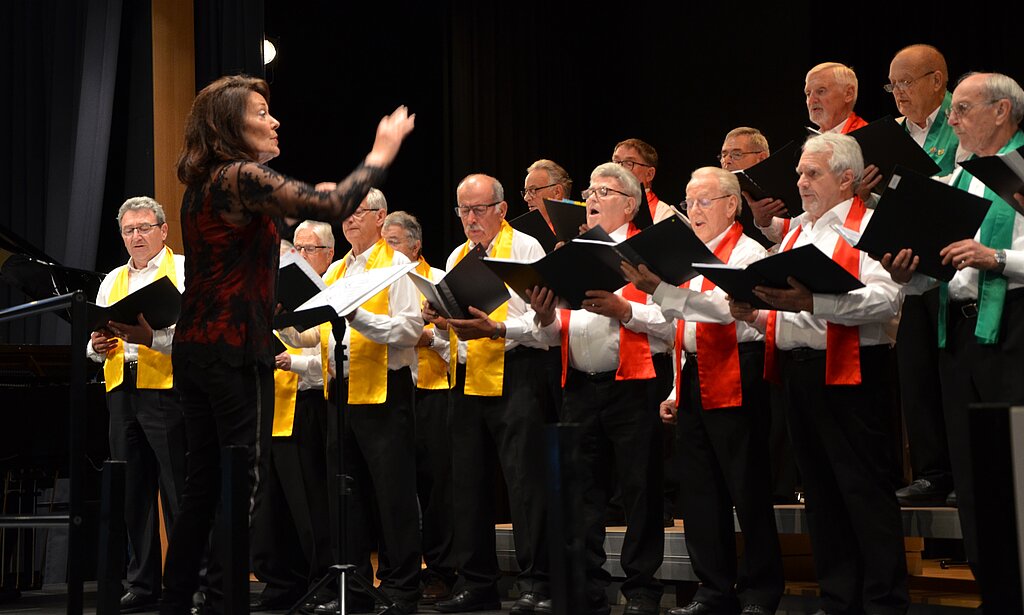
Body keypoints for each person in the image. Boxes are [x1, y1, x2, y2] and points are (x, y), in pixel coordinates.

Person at [161, 74, 414, 615]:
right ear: (231, 125)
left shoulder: (203, 185)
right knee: (237, 487)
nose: (273, 120)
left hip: (199, 346)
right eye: (260, 112)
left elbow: (229, 269)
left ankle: (180, 602)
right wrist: (381, 151)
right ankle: (225, 604)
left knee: (203, 487)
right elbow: (332, 203)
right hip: (231, 351)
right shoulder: (240, 175)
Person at [731, 133, 908, 615]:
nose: (800, 182)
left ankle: (883, 603)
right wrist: (755, 311)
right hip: (799, 371)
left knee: (863, 491)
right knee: (822, 495)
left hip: (852, 371)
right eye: (800, 173)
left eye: (812, 173)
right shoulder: (794, 233)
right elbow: (790, 317)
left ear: (848, 177)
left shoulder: (869, 225)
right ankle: (838, 600)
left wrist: (816, 302)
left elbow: (887, 300)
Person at [883, 72, 1024, 612]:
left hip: (1014, 324)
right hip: (957, 332)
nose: (954, 120)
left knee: (1013, 465)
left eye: (962, 109)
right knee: (972, 475)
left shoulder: (1019, 170)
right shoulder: (951, 180)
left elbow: (994, 259)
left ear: (1001, 112)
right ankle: (995, 596)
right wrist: (904, 271)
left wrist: (999, 259)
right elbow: (935, 270)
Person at [623, 167, 783, 615]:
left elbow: (723, 311)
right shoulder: (688, 258)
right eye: (689, 202)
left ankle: (759, 591)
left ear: (732, 206)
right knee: (699, 491)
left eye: (704, 202)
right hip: (694, 373)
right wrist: (675, 388)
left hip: (738, 370)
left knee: (747, 489)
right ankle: (713, 589)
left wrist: (661, 292)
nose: (693, 210)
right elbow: (683, 329)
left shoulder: (748, 252)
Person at [532, 163, 672, 615]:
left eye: (604, 191)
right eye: (589, 190)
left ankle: (642, 590)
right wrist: (544, 315)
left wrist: (624, 310)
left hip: (634, 385)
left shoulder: (649, 251)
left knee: (639, 489)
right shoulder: (571, 251)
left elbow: (675, 324)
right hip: (579, 385)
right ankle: (588, 588)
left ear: (630, 203)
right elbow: (556, 334)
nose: (591, 198)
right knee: (582, 494)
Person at [425, 174, 552, 615]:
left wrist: (496, 328)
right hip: (467, 375)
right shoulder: (457, 256)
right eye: (463, 210)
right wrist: (442, 325)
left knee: (524, 483)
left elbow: (541, 327)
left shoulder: (525, 248)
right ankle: (477, 581)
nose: (471, 218)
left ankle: (538, 582)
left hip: (517, 370)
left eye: (479, 209)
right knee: (468, 484)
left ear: (501, 208)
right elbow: (455, 333)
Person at [87, 196, 187, 614]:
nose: (136, 236)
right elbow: (91, 344)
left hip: (166, 390)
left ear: (163, 231)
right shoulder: (112, 279)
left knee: (177, 491)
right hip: (122, 392)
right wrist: (94, 345)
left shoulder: (182, 270)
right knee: (133, 492)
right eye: (129, 230)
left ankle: (188, 582)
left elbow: (195, 335)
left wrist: (152, 339)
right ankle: (142, 583)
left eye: (144, 228)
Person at [885, 44, 962, 508]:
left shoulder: (960, 122)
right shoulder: (892, 134)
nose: (898, 93)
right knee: (915, 374)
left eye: (906, 83)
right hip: (910, 270)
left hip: (954, 268)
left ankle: (963, 471)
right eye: (892, 85)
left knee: (951, 374)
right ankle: (933, 472)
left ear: (937, 80)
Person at [250, 222, 336, 611]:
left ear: (328, 254)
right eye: (295, 249)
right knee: (272, 503)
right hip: (267, 406)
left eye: (309, 249)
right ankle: (280, 580)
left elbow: (335, 358)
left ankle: (320, 579)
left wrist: (295, 361)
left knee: (310, 500)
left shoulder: (331, 290)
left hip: (309, 403)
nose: (301, 256)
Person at [382, 210, 456, 603]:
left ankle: (441, 571)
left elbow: (455, 340)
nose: (387, 248)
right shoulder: (378, 279)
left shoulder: (437, 279)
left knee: (435, 485)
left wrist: (426, 337)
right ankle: (398, 569)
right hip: (393, 390)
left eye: (393, 241)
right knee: (397, 484)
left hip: (433, 390)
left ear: (415, 245)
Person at [612, 138, 674, 223]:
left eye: (629, 163)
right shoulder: (603, 205)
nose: (619, 169)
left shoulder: (663, 215)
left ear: (649, 174)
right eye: (616, 162)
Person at [522, 159, 573, 231]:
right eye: (526, 191)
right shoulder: (524, 235)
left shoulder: (581, 231)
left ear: (557, 192)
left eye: (533, 190)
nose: (526, 198)